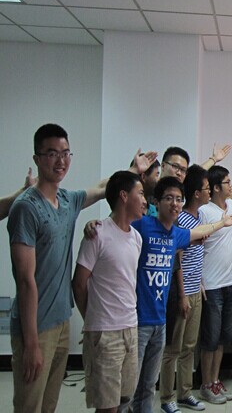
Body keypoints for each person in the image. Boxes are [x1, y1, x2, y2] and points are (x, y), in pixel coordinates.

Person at [7, 123, 155, 413]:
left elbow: (103, 189)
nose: (60, 160)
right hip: (34, 326)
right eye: (51, 153)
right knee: (29, 406)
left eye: (65, 153)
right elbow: (25, 281)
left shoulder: (66, 200)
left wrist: (132, 169)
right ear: (37, 158)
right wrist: (31, 343)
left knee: (48, 405)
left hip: (61, 321)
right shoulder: (26, 207)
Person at [96, 176, 232, 413]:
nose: (175, 204)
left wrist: (221, 224)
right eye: (169, 198)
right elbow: (118, 222)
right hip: (137, 320)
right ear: (157, 202)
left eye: (178, 199)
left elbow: (197, 232)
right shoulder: (143, 225)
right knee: (127, 388)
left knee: (148, 386)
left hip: (160, 320)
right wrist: (96, 224)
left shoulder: (175, 234)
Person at [72, 171, 146, 413]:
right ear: (124, 196)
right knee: (107, 405)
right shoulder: (97, 234)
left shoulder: (136, 238)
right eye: (140, 193)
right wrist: (92, 320)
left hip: (130, 328)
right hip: (105, 333)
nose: (145, 200)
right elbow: (79, 283)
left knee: (124, 399)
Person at [159, 166, 211, 413]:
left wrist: (199, 283)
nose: (210, 191)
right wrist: (181, 295)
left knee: (190, 346)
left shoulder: (198, 218)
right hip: (180, 293)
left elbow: (195, 258)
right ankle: (166, 397)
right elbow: (177, 260)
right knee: (173, 348)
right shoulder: (181, 220)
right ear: (196, 193)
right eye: (207, 188)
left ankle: (185, 393)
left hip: (195, 291)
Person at [197, 166, 232, 404]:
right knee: (210, 339)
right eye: (227, 182)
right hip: (212, 285)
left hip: (231, 283)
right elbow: (195, 245)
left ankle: (215, 380)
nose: (231, 185)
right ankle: (205, 384)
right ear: (216, 187)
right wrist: (198, 279)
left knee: (223, 338)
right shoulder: (204, 211)